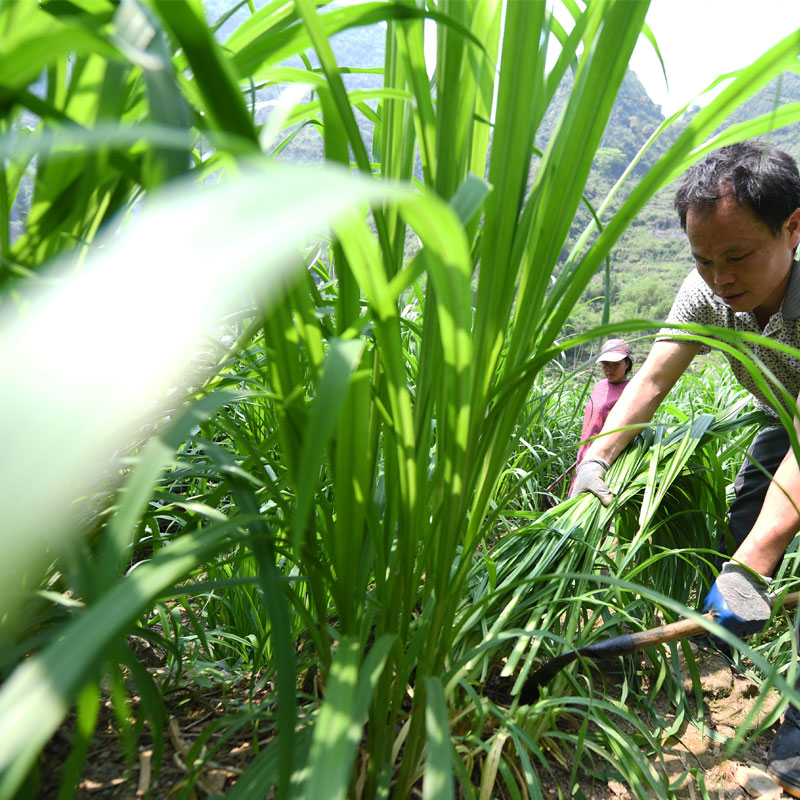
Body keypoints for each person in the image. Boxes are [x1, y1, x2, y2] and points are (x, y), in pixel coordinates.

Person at [569, 139, 800, 794]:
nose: (720, 278)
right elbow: (651, 380)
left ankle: (795, 757)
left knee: (757, 549)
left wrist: (753, 564)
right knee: (745, 515)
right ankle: (723, 646)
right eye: (703, 259)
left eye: (737, 257)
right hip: (782, 422)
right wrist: (597, 458)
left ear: (793, 226)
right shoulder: (707, 293)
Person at [575, 339, 633, 469]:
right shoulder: (599, 386)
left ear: (627, 364)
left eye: (616, 364)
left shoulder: (631, 391)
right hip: (584, 451)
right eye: (605, 364)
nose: (609, 369)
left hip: (606, 459)